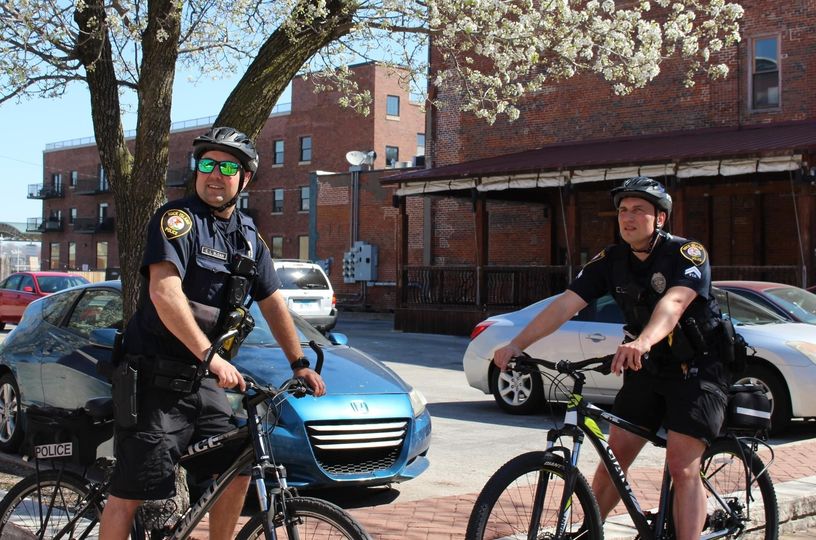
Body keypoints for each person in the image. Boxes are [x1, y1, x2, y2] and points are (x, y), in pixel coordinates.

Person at [99, 126, 326, 540]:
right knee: (131, 492)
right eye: (207, 164)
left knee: (235, 470)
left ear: (246, 179)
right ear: (196, 170)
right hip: (154, 379)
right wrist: (210, 355)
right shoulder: (178, 221)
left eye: (227, 167)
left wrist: (299, 364)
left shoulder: (249, 238)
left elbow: (273, 301)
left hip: (201, 382)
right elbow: (164, 292)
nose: (215, 174)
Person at [493, 177, 730, 540]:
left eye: (639, 210)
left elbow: (674, 304)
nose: (628, 218)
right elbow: (564, 306)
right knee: (612, 460)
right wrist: (517, 344)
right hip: (647, 368)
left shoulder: (686, 255)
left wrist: (643, 342)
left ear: (660, 219)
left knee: (682, 467)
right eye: (622, 210)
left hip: (696, 368)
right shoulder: (611, 260)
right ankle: (589, 535)